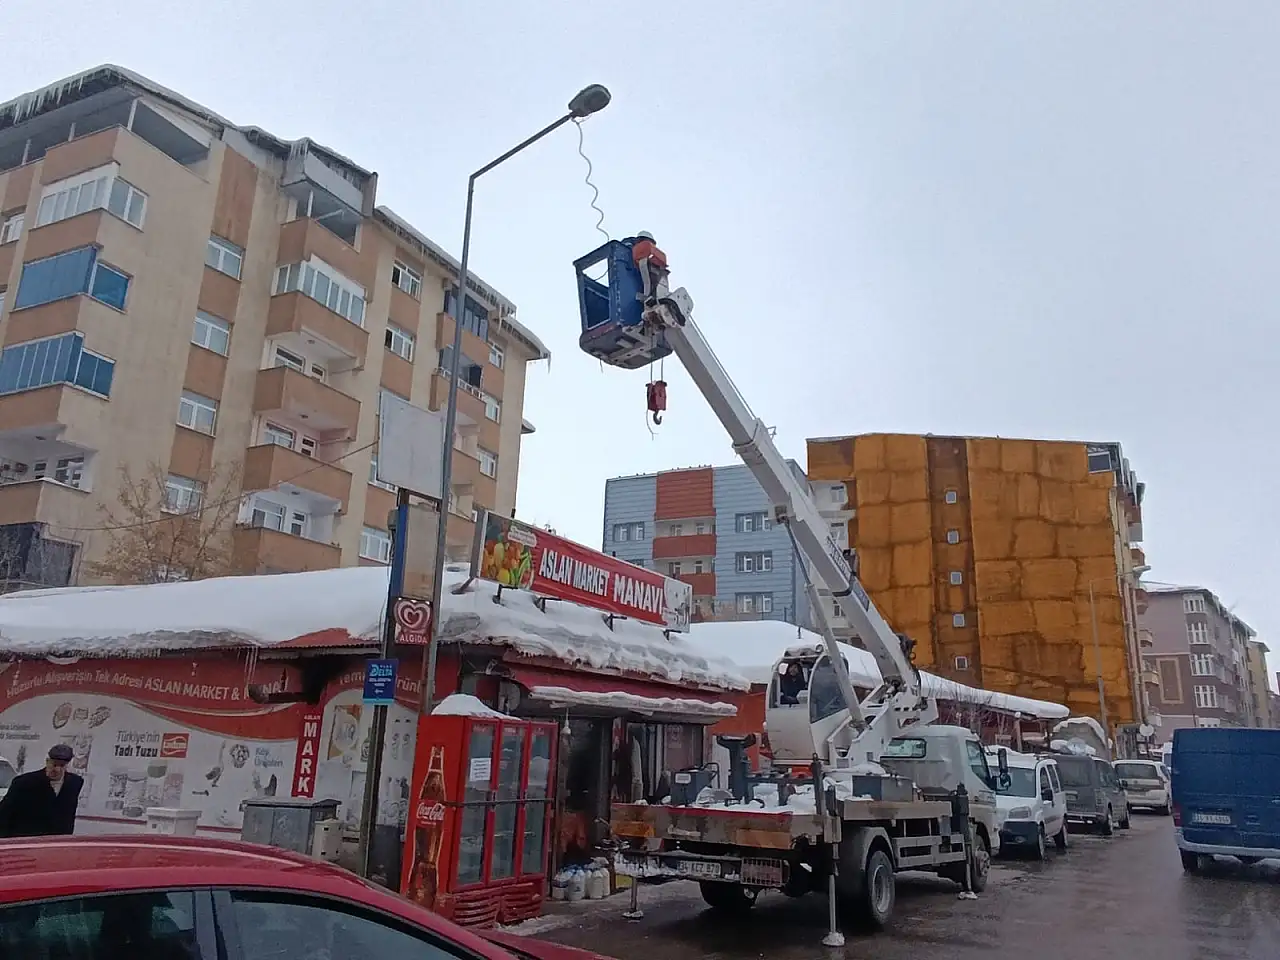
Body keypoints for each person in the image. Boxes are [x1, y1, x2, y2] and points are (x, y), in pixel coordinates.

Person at [0, 744, 83, 838]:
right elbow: (4, 813)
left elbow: (69, 813)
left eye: (62, 765)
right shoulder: (24, 782)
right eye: (54, 764)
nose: (57, 769)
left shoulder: (75, 783)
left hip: (58, 842)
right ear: (47, 761)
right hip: (28, 840)